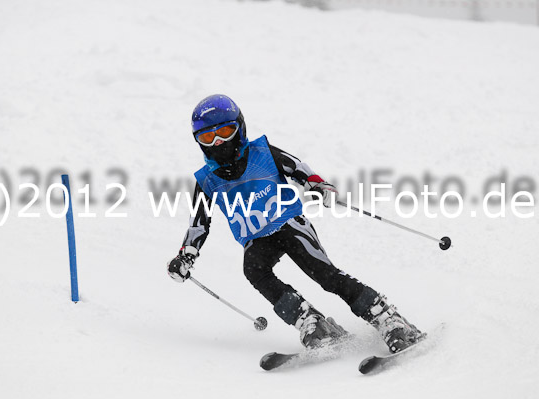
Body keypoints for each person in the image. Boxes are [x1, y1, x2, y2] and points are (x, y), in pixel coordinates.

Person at [167, 94, 424, 353]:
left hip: (289, 223)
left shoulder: (262, 153)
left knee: (325, 275)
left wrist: (317, 184)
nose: (218, 142)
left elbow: (297, 167)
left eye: (224, 131)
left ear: (240, 128)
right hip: (256, 238)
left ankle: (386, 317)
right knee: (254, 270)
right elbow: (199, 223)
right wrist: (186, 256)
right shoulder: (207, 180)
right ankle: (310, 320)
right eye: (208, 138)